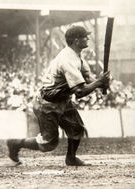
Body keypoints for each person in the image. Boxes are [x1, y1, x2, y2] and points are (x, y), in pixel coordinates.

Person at [7, 25, 110, 166]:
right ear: (76, 40)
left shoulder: (77, 56)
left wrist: (101, 83)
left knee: (77, 129)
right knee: (49, 143)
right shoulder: (67, 60)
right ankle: (15, 144)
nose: (88, 38)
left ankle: (71, 158)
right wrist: (99, 83)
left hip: (62, 99)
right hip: (47, 102)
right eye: (84, 36)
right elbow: (80, 92)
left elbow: (88, 79)